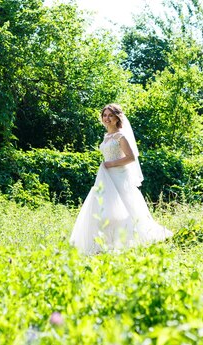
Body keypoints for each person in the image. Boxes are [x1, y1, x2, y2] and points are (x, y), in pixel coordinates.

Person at [69, 103, 172, 255]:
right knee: (104, 209)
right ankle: (105, 242)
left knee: (126, 209)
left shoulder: (120, 136)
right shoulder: (106, 136)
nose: (107, 118)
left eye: (110, 115)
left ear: (117, 118)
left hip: (119, 175)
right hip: (106, 176)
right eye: (105, 115)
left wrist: (110, 164)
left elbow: (130, 157)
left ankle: (131, 239)